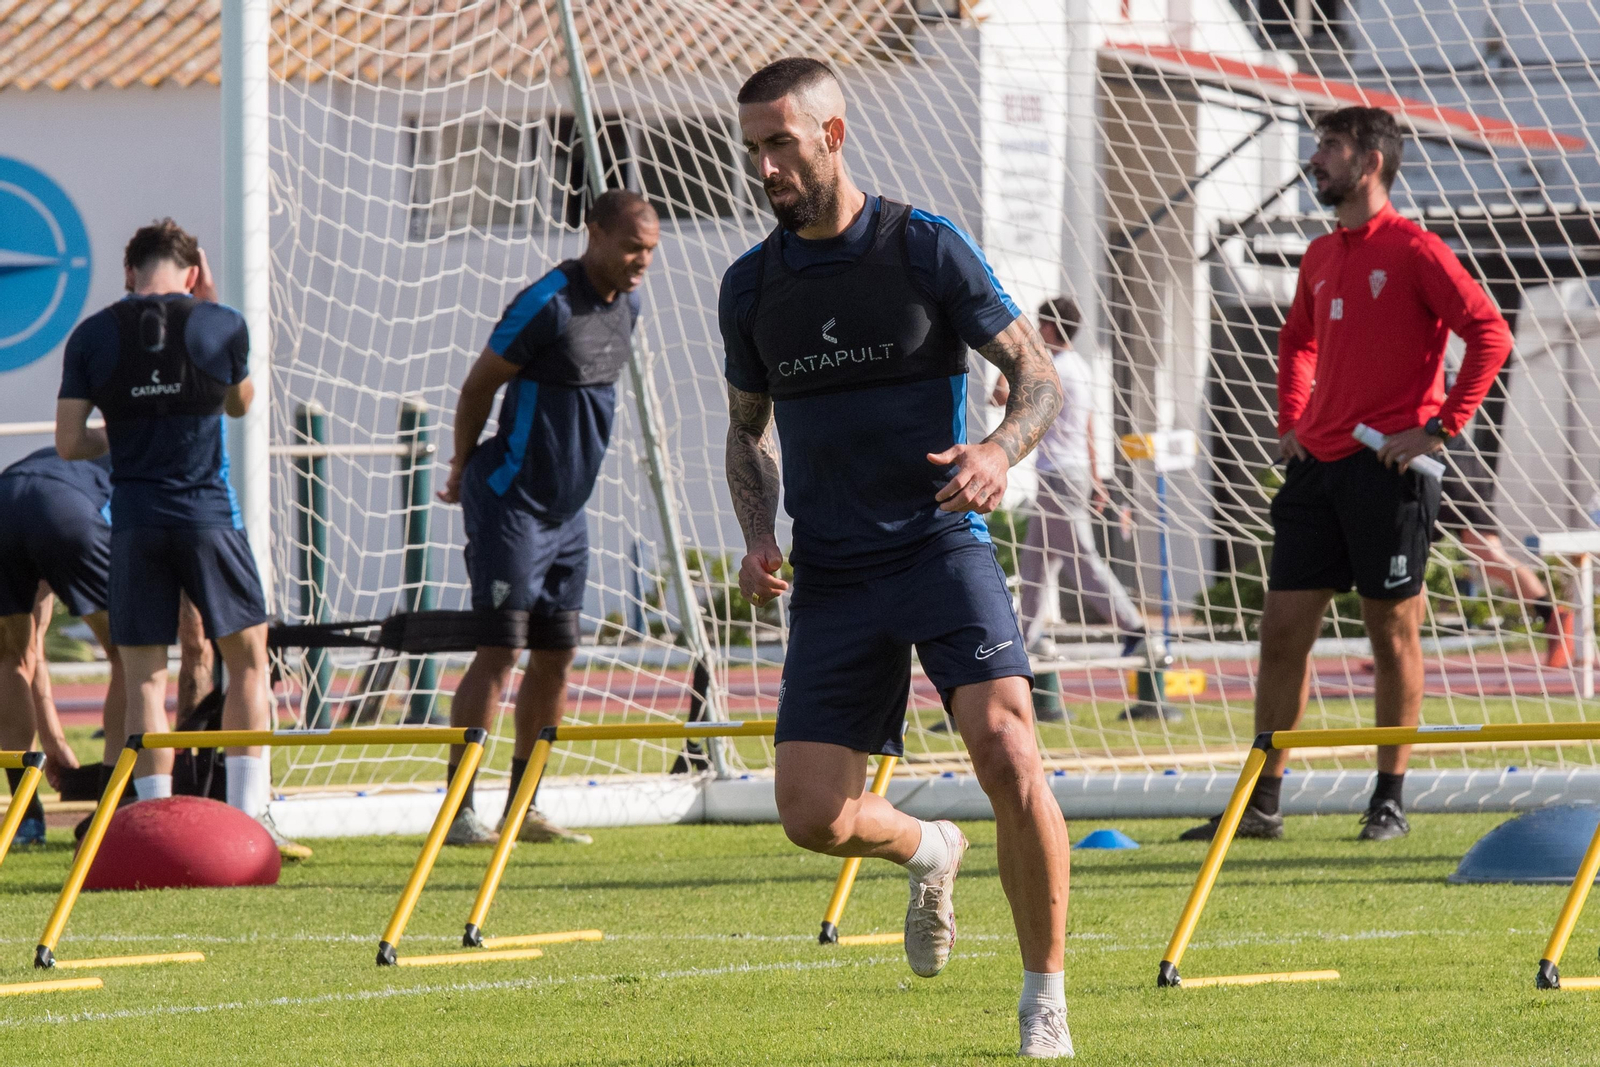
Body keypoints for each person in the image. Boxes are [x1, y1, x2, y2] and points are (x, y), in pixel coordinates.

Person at [721, 58, 1074, 1058]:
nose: (765, 166)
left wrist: (997, 451)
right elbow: (748, 433)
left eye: (780, 143)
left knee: (1008, 749)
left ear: (832, 135)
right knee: (810, 815)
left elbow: (1033, 374)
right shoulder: (751, 286)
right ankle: (931, 846)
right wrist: (757, 535)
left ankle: (1042, 998)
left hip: (937, 543)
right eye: (753, 148)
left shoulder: (923, 247)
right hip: (831, 571)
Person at [1182, 107, 1512, 844]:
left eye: (1329, 146)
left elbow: (1490, 332)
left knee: (1391, 635)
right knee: (1280, 633)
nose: (1316, 158)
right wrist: (1291, 421)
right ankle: (1262, 801)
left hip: (1389, 472)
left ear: (1370, 162)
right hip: (1316, 471)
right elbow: (1295, 341)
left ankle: (1388, 797)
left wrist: (1438, 427)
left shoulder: (1418, 249)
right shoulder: (1320, 254)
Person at [55, 218, 310, 861]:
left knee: (144, 677)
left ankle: (153, 823)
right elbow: (240, 403)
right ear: (192, 272)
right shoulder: (220, 323)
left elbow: (68, 443)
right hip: (206, 515)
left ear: (127, 274)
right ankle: (254, 815)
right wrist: (212, 306)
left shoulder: (91, 335)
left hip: (135, 520)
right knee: (249, 660)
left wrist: (129, 437)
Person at [437, 190, 660, 848]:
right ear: (591, 232)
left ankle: (524, 806)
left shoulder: (632, 304)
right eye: (630, 247)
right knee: (501, 648)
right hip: (510, 502)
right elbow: (479, 385)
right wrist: (458, 463)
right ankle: (458, 812)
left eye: (650, 250)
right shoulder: (546, 302)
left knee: (557, 656)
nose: (641, 260)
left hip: (568, 517)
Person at [1002, 296, 1147, 661]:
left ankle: (1134, 628)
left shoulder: (1055, 368)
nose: (1036, 330)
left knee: (1081, 557)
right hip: (1071, 473)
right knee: (1036, 560)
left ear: (1050, 328)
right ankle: (1025, 636)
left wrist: (1008, 360)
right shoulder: (1080, 368)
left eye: (1040, 323)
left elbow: (1004, 394)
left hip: (1060, 477)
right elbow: (1088, 427)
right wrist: (1097, 479)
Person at [0, 446, 117, 843]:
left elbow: (35, 649)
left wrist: (55, 742)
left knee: (13, 657)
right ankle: (117, 801)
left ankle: (24, 818)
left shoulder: (67, 455)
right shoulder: (139, 465)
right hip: (63, 508)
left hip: (5, 500)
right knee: (129, 657)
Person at [1437, 426, 1572, 668]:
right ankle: (1554, 615)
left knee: (1408, 559)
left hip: (1432, 463)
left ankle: (1401, 646)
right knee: (1492, 557)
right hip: (1467, 464)